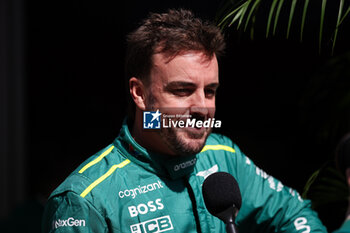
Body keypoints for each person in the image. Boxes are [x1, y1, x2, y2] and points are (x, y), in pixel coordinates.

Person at [42, 9, 337, 233]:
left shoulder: (223, 156)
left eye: (210, 91)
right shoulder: (84, 200)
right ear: (140, 93)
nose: (202, 108)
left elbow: (295, 213)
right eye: (182, 90)